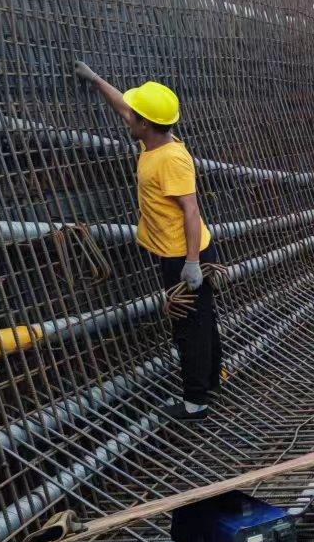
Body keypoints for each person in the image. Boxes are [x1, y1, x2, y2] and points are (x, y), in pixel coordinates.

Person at [75, 62, 223, 422]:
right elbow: (125, 107)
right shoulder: (155, 138)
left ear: (146, 125)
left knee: (188, 328)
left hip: (183, 255)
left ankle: (195, 403)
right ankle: (211, 379)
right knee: (202, 321)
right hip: (178, 251)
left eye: (135, 118)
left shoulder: (170, 159)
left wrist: (190, 264)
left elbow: (190, 210)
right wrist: (95, 80)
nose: (129, 120)